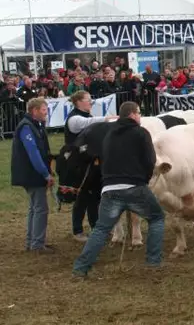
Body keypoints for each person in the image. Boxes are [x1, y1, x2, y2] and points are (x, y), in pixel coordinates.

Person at [72, 102, 165, 277]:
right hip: (134, 186)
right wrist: (144, 179)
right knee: (157, 218)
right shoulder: (141, 133)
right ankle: (153, 261)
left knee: (101, 229)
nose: (140, 117)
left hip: (109, 188)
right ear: (132, 114)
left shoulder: (109, 135)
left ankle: (81, 268)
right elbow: (150, 160)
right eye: (139, 113)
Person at [65, 91, 117, 243]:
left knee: (94, 196)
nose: (91, 103)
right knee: (81, 197)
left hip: (91, 163)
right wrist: (107, 119)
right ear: (79, 102)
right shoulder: (74, 119)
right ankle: (78, 230)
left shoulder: (86, 115)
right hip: (78, 164)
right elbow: (89, 123)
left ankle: (95, 227)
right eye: (88, 100)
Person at [11, 97, 55, 254]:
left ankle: (32, 241)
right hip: (32, 174)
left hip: (31, 173)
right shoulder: (27, 127)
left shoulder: (35, 126)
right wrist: (45, 174)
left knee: (34, 208)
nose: (46, 113)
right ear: (35, 111)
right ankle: (37, 244)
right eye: (44, 110)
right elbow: (33, 152)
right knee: (41, 208)